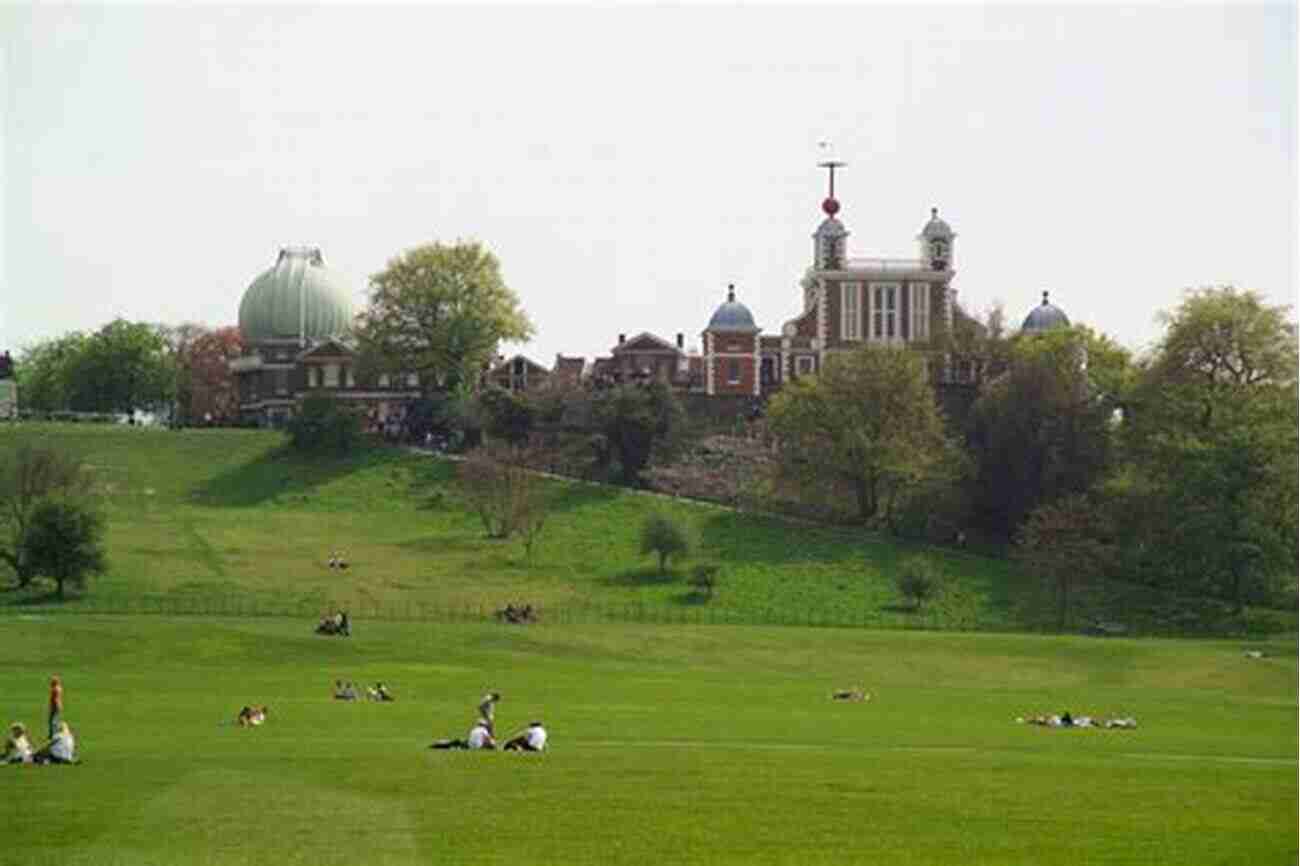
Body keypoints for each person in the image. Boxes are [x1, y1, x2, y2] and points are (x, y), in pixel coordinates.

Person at [430, 719, 496, 750]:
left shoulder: (474, 729)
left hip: (470, 745)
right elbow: (488, 740)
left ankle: (440, 744)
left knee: (457, 742)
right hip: (476, 747)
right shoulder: (484, 730)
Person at [48, 676, 63, 740]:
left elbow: (55, 699)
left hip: (55, 707)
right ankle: (54, 733)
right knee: (54, 720)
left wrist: (56, 706)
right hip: (56, 706)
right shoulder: (58, 688)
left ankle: (53, 734)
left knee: (52, 721)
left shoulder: (55, 689)